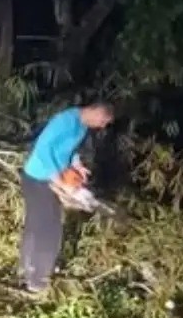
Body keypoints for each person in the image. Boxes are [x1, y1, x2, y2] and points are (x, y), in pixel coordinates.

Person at [18, 102, 114, 292]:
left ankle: (26, 270)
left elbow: (68, 150)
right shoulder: (65, 121)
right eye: (103, 121)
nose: (102, 126)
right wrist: (59, 180)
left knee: (37, 224)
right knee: (49, 228)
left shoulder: (81, 126)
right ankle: (38, 279)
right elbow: (43, 149)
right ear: (95, 112)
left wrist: (76, 164)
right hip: (39, 176)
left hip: (47, 178)